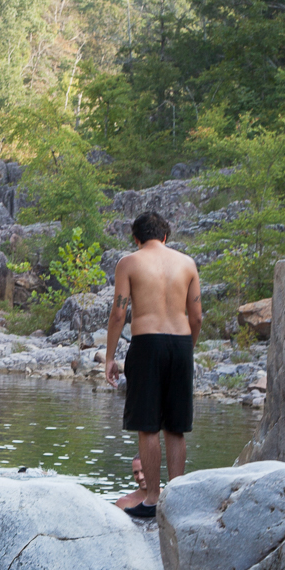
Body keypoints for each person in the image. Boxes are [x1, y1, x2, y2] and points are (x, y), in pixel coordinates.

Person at [105, 211, 201, 522]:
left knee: (147, 424)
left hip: (147, 343)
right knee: (176, 426)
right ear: (164, 237)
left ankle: (152, 498)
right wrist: (189, 347)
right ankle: (177, 496)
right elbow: (197, 315)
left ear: (136, 238)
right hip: (181, 344)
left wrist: (109, 357)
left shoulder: (129, 263)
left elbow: (119, 313)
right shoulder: (187, 263)